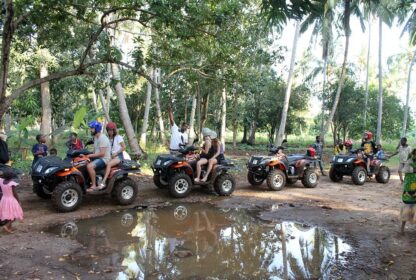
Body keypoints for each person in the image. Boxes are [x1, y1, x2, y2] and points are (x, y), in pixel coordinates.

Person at [85, 121, 111, 192]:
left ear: (96, 129)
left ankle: (93, 186)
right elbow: (96, 151)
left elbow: (102, 153)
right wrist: (86, 154)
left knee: (89, 166)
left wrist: (90, 155)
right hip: (98, 157)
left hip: (104, 159)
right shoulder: (96, 137)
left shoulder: (102, 138)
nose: (90, 130)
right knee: (83, 163)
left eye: (92, 128)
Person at [99, 122, 126, 189]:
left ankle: (103, 182)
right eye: (109, 130)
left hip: (118, 156)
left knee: (108, 164)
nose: (110, 131)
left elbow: (124, 147)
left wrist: (116, 153)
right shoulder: (107, 139)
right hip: (110, 156)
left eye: (111, 130)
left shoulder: (118, 137)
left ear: (114, 130)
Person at [400, 149, 416, 234]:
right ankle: (402, 229)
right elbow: (406, 170)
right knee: (407, 207)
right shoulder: (409, 162)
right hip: (409, 190)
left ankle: (403, 229)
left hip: (411, 188)